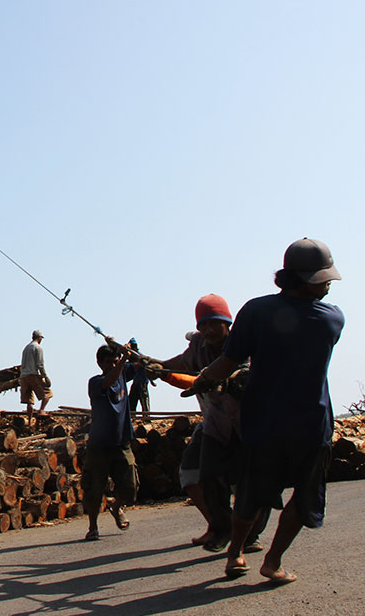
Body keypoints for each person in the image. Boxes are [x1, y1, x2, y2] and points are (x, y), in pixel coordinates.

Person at [186, 239, 344, 584]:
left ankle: (237, 552)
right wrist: (204, 377)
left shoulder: (256, 311)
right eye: (322, 278)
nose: (328, 283)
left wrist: (201, 380)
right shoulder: (332, 317)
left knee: (253, 494)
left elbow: (226, 362)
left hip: (266, 422)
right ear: (302, 279)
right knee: (302, 497)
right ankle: (271, 560)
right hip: (310, 422)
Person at [154, 294, 268, 552]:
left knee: (253, 483)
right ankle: (221, 528)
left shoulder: (242, 343)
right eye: (202, 325)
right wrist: (159, 367)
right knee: (208, 475)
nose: (207, 330)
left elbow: (246, 373)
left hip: (249, 424)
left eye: (213, 323)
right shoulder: (198, 347)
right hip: (216, 424)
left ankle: (250, 534)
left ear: (227, 323)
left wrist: (225, 380)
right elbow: (182, 363)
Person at [81, 341, 139, 541]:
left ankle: (117, 506)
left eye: (115, 362)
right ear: (100, 364)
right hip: (99, 445)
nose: (113, 366)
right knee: (93, 489)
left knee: (131, 488)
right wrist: (123, 358)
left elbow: (140, 364)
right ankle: (93, 526)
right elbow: (111, 378)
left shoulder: (123, 373)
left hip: (121, 442)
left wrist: (132, 350)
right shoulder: (95, 382)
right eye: (108, 363)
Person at [20, 329, 52, 429]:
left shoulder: (26, 348)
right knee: (47, 394)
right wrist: (46, 377)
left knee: (29, 401)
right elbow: (40, 364)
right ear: (39, 338)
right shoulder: (37, 347)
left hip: (24, 376)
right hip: (33, 375)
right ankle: (41, 411)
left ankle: (29, 423)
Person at [127, 337, 152, 412]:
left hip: (142, 381)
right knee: (132, 399)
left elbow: (147, 366)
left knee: (144, 399)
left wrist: (151, 380)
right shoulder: (132, 357)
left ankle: (146, 417)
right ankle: (132, 416)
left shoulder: (139, 357)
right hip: (136, 381)